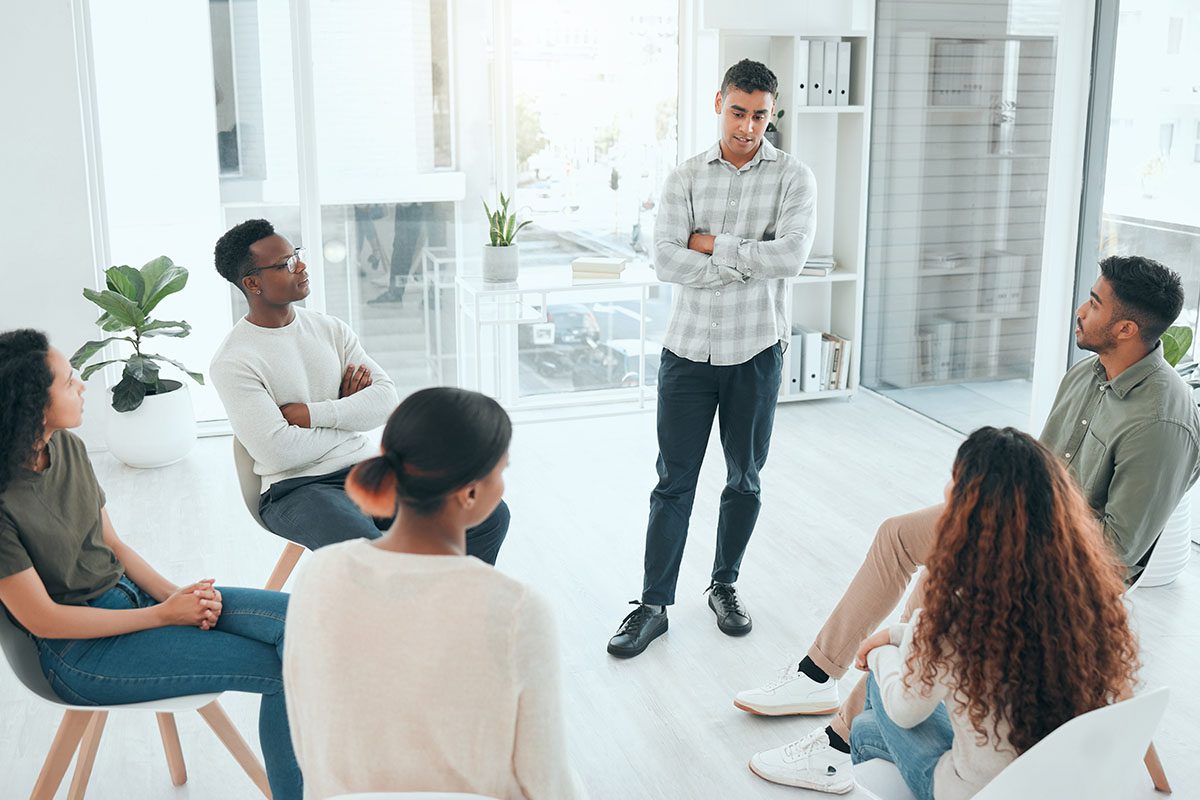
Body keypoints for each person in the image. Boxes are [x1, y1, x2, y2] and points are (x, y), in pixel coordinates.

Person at [740, 254, 1200, 792]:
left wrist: (999, 546)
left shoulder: (1163, 422)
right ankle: (818, 673)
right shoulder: (1087, 372)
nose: (1080, 309)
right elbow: (1038, 467)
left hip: (1066, 565)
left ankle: (840, 737)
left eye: (1094, 303)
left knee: (946, 579)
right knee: (898, 535)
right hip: (1019, 518)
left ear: (1126, 328)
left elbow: (1117, 551)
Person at [0, 330, 301, 799]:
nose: (81, 387)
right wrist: (163, 615)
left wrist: (174, 596)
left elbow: (111, 542)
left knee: (300, 621)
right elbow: (41, 618)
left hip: (130, 604)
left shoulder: (68, 449)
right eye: (69, 381)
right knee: (288, 670)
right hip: (75, 654)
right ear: (31, 404)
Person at [606, 58, 817, 658]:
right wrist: (746, 259)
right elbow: (667, 261)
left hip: (755, 349)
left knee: (744, 480)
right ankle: (652, 605)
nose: (748, 127)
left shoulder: (795, 180)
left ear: (771, 114)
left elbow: (792, 259)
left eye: (759, 116)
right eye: (737, 112)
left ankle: (724, 584)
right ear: (718, 102)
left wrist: (711, 247)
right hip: (688, 351)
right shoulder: (685, 177)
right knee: (673, 481)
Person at [283, 387, 584, 799]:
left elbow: (307, 740)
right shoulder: (518, 609)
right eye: (502, 470)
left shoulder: (320, 573)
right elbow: (546, 782)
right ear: (471, 492)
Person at [811, 427, 1138, 799]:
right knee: (884, 704)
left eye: (955, 484)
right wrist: (898, 635)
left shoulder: (966, 611)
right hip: (1048, 779)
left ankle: (831, 758)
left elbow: (905, 711)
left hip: (972, 790)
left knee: (870, 721)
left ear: (971, 509)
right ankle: (834, 754)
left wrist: (883, 651)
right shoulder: (1083, 596)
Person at [210, 218, 509, 562]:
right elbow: (278, 452)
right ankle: (412, 610)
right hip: (298, 488)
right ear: (253, 283)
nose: (302, 266)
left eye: (298, 255)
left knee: (488, 512)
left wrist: (311, 414)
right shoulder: (234, 361)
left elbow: (385, 401)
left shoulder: (330, 329)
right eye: (286, 263)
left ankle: (453, 602)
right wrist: (348, 417)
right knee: (374, 555)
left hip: (366, 470)